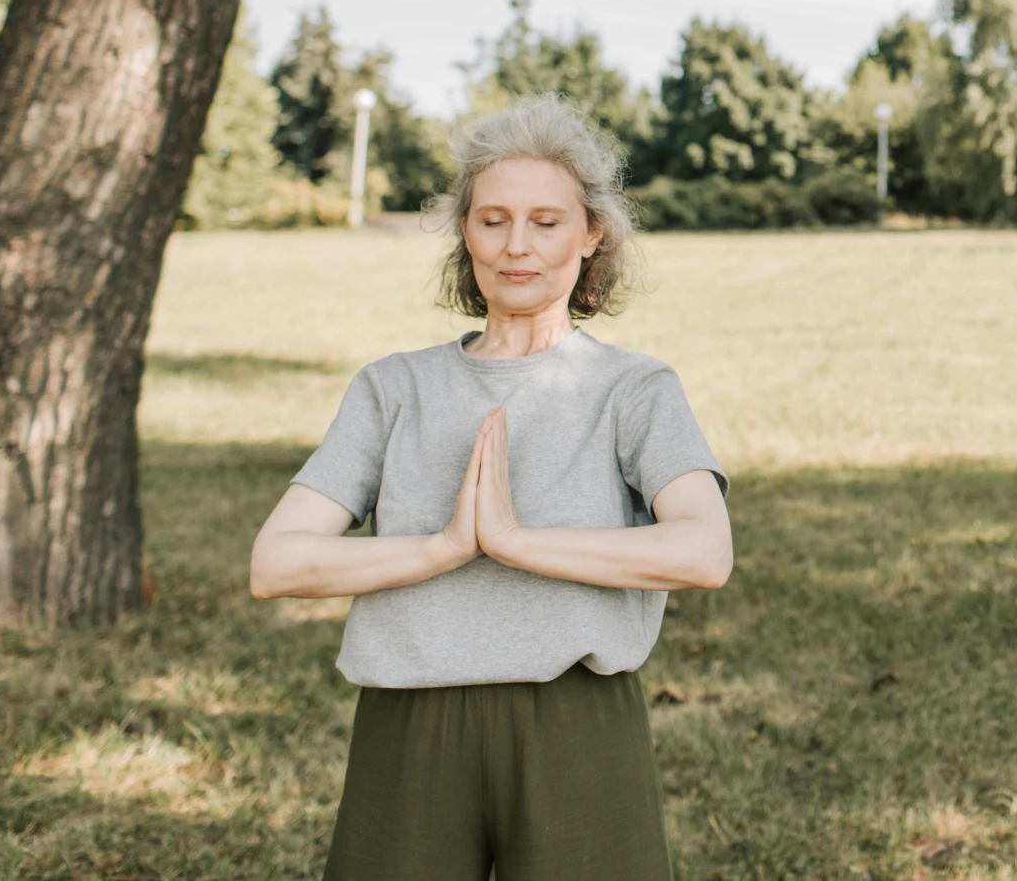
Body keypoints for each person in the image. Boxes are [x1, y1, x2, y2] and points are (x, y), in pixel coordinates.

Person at [249, 96, 732, 881]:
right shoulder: (393, 387)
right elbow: (276, 563)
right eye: (492, 219)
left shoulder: (633, 388)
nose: (518, 246)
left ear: (592, 232)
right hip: (411, 722)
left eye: (546, 221)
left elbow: (706, 550)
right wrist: (445, 546)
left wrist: (515, 542)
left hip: (576, 723)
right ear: (463, 231)